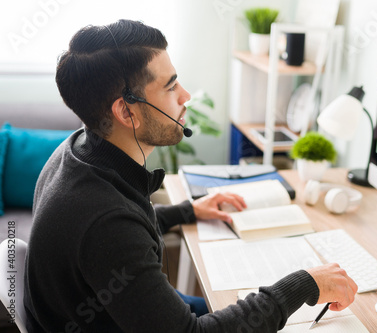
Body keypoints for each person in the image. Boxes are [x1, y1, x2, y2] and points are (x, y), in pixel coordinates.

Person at [24, 19, 357, 332]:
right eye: (171, 88)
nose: (186, 96)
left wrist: (187, 211)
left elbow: (122, 227)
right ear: (126, 111)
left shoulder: (78, 151)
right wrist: (304, 284)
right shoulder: (104, 221)